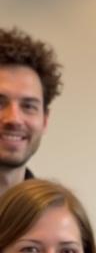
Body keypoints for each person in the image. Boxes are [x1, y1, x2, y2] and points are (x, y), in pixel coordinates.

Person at [0, 28, 61, 195]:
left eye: (28, 106)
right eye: (0, 103)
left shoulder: (54, 217)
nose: (13, 119)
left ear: (45, 121)